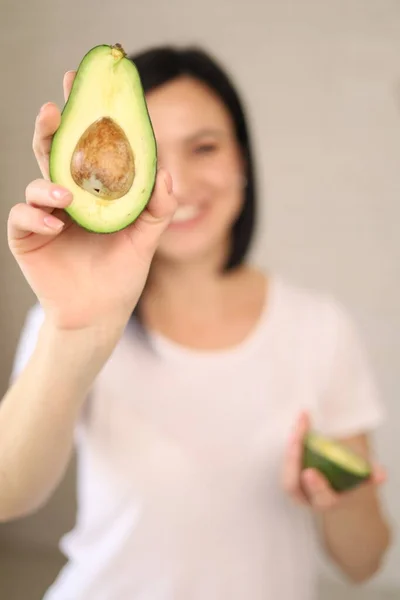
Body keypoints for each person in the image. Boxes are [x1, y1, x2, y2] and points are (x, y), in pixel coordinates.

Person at [1, 45, 392, 600]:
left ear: (243, 162)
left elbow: (364, 563)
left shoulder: (319, 328)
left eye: (204, 147)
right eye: (152, 153)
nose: (176, 180)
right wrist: (75, 331)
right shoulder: (69, 317)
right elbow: (7, 495)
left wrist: (342, 497)